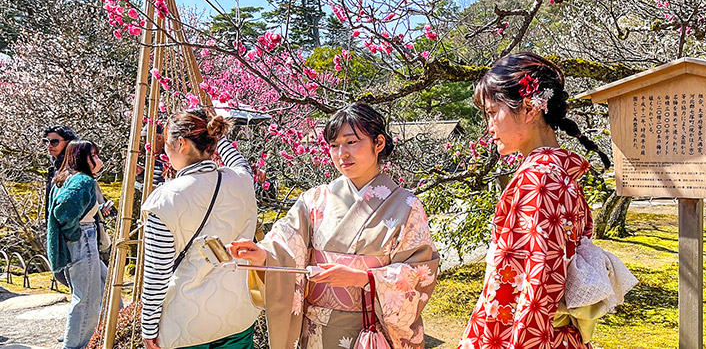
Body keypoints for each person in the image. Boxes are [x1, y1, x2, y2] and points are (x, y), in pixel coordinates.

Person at [228, 102, 440, 349]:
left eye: (351, 142)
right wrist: (264, 255)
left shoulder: (406, 205)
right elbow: (285, 243)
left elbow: (420, 271)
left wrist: (364, 278)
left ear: (378, 143)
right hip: (317, 328)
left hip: (372, 328)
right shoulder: (314, 199)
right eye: (334, 145)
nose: (342, 154)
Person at [457, 52, 608, 349]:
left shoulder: (538, 179)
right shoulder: (562, 174)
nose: (489, 127)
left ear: (528, 108)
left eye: (491, 113)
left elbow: (540, 284)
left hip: (527, 336)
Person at [140, 108, 259, 349]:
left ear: (181, 143)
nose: (165, 149)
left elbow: (157, 273)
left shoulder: (163, 200)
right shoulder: (242, 180)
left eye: (167, 142)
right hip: (239, 314)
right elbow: (239, 161)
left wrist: (149, 327)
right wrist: (216, 134)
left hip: (188, 325)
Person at [46, 140, 108, 349]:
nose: (99, 160)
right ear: (84, 158)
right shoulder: (83, 180)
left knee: (106, 283)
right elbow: (63, 211)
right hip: (82, 239)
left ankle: (111, 332)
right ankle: (77, 346)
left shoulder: (64, 179)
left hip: (78, 240)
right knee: (86, 299)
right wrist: (75, 233)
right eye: (95, 156)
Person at [43, 125, 78, 225]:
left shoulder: (74, 167)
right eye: (46, 141)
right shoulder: (55, 167)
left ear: (68, 142)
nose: (49, 146)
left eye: (54, 142)